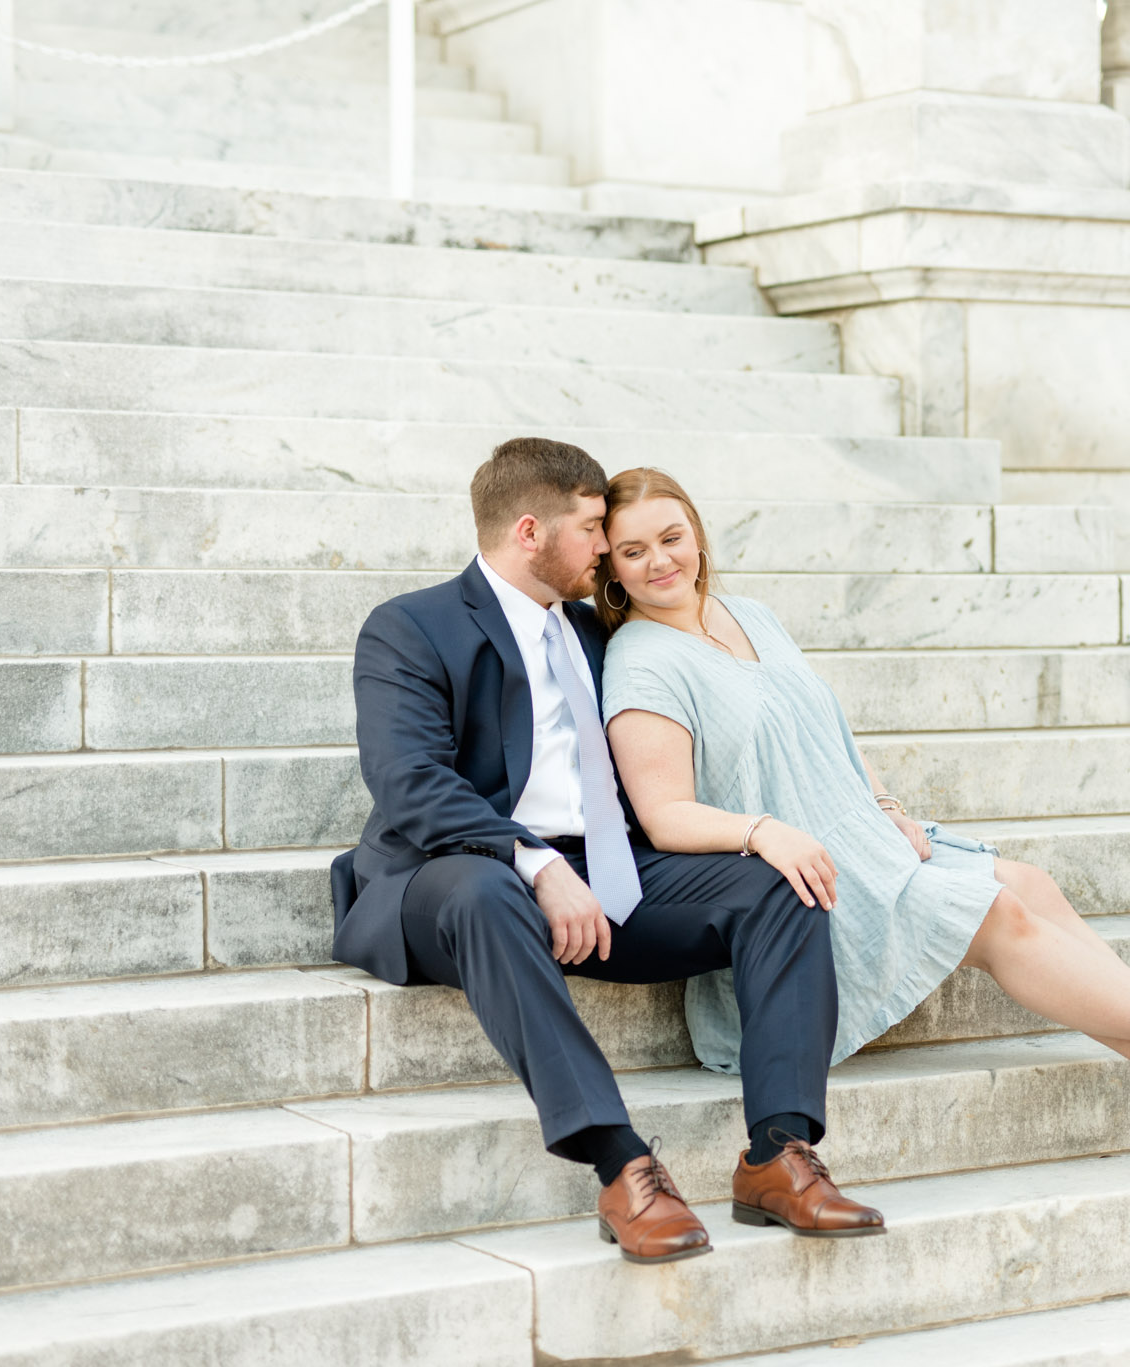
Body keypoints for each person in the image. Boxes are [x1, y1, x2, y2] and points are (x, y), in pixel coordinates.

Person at [595, 468, 1130, 1169]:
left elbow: (829, 730)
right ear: (612, 570)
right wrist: (763, 831)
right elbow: (666, 817)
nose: (660, 560)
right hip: (810, 885)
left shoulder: (746, 613)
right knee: (1000, 913)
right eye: (634, 550)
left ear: (696, 532)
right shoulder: (640, 659)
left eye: (671, 535)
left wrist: (886, 804)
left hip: (869, 840)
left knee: (1030, 883)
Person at [329, 439, 883, 1265]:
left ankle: (779, 1154)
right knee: (488, 893)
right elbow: (409, 784)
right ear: (529, 531)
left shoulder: (598, 630)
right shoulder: (412, 627)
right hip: (446, 875)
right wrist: (539, 866)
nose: (608, 548)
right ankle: (622, 1164)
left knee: (777, 888)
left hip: (608, 870)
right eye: (594, 529)